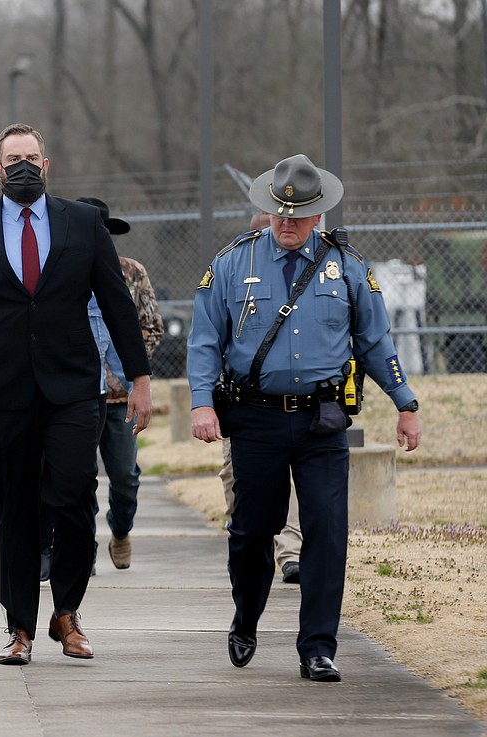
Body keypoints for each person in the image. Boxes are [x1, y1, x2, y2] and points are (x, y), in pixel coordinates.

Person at [187, 154, 421, 683]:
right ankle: (246, 616)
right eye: (278, 212)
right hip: (256, 419)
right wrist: (202, 402)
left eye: (297, 214)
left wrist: (405, 403)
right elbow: (205, 342)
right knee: (253, 531)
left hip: (323, 422)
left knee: (326, 531)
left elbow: (376, 341)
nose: (286, 222)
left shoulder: (349, 267)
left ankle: (317, 646)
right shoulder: (232, 265)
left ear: (318, 214)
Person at [0, 124, 152, 666]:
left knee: (74, 498)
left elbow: (118, 306)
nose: (24, 165)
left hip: (74, 387)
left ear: (47, 165)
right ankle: (19, 627)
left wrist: (140, 380)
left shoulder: (83, 223)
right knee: (15, 510)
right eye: (14, 158)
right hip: (2, 392)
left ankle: (68, 614)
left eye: (33, 157)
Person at [40, 198, 163, 579]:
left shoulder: (131, 272)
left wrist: (126, 366)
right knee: (79, 477)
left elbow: (152, 327)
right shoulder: (60, 270)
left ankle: (121, 528)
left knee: (124, 476)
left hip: (121, 398)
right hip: (77, 397)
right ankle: (84, 547)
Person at [218, 210, 302, 584]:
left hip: (290, 405)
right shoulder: (233, 272)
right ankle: (248, 534)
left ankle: (290, 552)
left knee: (296, 482)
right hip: (242, 405)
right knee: (234, 475)